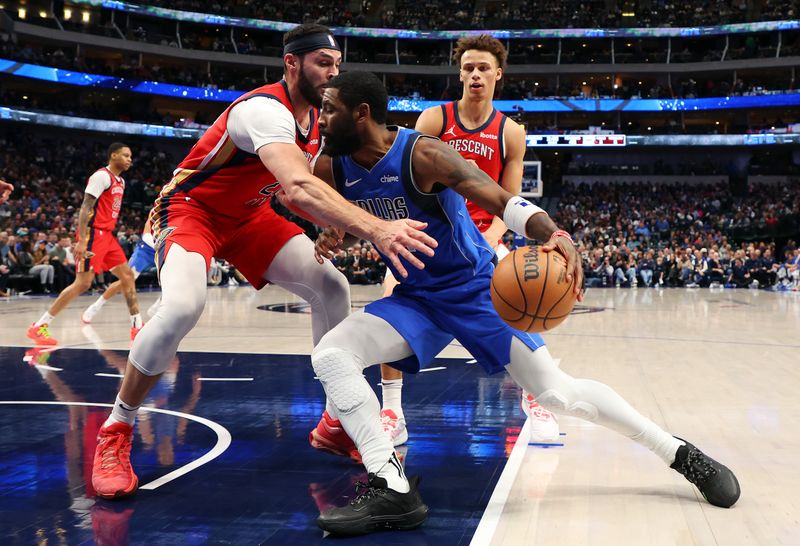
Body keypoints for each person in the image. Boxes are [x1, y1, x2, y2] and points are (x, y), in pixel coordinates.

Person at [306, 71, 739, 536]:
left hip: (475, 290)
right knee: (332, 354)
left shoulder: (422, 153)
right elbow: (353, 213)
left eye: (329, 109)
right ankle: (391, 487)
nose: (320, 120)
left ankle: (677, 452)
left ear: (362, 113)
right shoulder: (331, 166)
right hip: (416, 298)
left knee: (555, 392)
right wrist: (338, 232)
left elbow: (498, 197)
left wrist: (555, 232)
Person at [90, 23, 437, 501]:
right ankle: (116, 429)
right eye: (322, 63)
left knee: (332, 285)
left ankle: (336, 419)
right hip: (192, 211)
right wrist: (375, 228)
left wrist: (328, 221)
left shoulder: (318, 120)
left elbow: (289, 190)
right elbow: (296, 186)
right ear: (291, 63)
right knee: (184, 306)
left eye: (337, 65)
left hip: (251, 218)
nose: (332, 73)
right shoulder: (262, 110)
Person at [354, 34, 558, 448]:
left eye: (483, 67)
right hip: (433, 231)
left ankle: (537, 396)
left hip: (484, 234)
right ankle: (392, 409)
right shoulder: (434, 120)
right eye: (468, 68)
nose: (475, 75)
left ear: (498, 74)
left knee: (524, 298)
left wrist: (488, 238)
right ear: (459, 73)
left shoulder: (511, 132)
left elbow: (509, 200)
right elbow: (407, 182)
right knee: (391, 291)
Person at [26, 143, 143, 345]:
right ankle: (39, 326)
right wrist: (81, 240)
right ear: (113, 155)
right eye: (125, 155)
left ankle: (137, 327)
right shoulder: (101, 177)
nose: (129, 159)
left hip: (108, 236)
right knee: (83, 283)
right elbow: (85, 208)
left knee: (127, 276)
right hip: (93, 235)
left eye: (130, 156)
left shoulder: (121, 182)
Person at [81, 217, 160, 323]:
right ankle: (95, 307)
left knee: (177, 277)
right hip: (146, 250)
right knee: (126, 279)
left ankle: (156, 307)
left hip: (164, 251)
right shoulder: (158, 209)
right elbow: (146, 235)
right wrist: (161, 246)